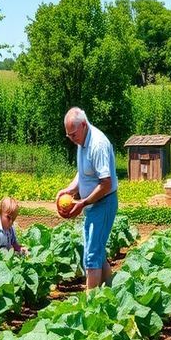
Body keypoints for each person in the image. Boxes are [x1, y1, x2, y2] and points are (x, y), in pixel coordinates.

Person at [57, 107, 118, 289]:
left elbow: (105, 183)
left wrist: (83, 203)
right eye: (68, 135)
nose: (71, 139)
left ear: (83, 125)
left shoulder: (97, 145)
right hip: (93, 205)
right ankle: (110, 291)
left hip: (103, 203)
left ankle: (90, 305)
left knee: (92, 256)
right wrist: (68, 190)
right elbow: (83, 174)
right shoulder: (81, 141)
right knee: (96, 252)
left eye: (73, 134)